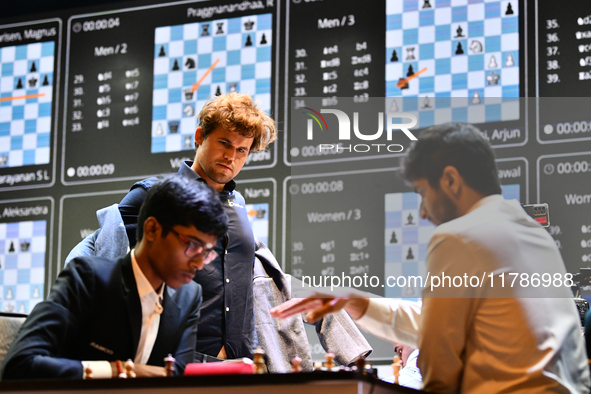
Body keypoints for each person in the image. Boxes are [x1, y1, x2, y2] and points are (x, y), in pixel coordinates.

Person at [271, 123, 590, 392]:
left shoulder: (459, 237)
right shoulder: (526, 231)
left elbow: (440, 367)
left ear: (451, 180)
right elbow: (443, 321)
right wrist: (356, 302)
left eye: (423, 193)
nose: (422, 212)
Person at [67, 93, 372, 368]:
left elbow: (267, 278)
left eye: (242, 150)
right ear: (200, 136)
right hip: (176, 362)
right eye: (224, 143)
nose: (231, 157)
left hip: (244, 363)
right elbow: (102, 258)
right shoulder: (153, 195)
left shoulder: (237, 204)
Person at [1, 175, 228, 380]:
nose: (199, 263)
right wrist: (118, 370)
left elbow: (176, 378)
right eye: (192, 245)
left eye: (207, 253)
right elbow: (19, 364)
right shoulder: (87, 278)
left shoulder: (188, 296)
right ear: (152, 229)